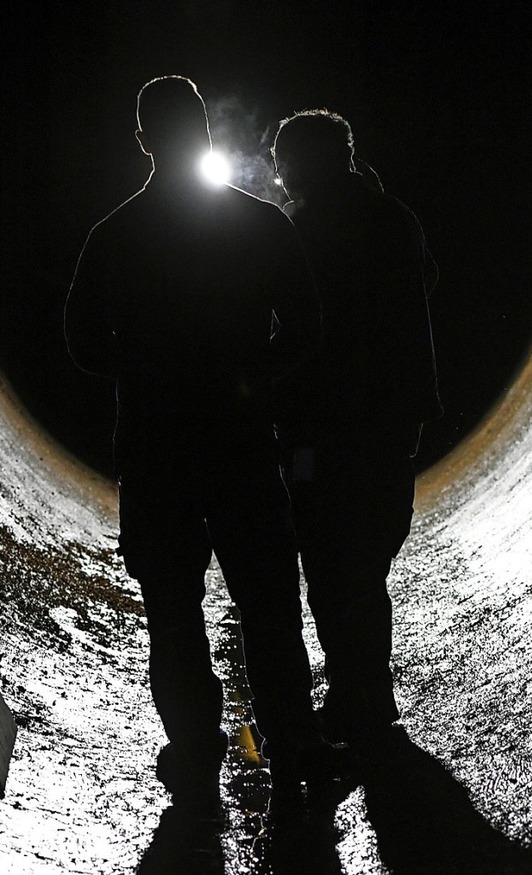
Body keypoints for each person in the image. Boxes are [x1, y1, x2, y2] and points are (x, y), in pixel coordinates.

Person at [64, 77, 337, 816]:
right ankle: (292, 744)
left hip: (156, 453)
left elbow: (83, 344)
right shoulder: (257, 225)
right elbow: (307, 326)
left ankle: (194, 747)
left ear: (144, 139)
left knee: (174, 611)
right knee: (271, 604)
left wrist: (146, 367)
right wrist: (251, 376)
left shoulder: (115, 235)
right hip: (242, 446)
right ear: (207, 132)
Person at [271, 109, 442, 751]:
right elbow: (426, 282)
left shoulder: (304, 228)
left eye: (286, 160)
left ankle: (352, 696)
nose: (280, 172)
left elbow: (288, 321)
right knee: (368, 554)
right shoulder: (393, 217)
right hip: (392, 423)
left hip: (319, 431)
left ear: (303, 163)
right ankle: (367, 694)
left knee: (324, 552)